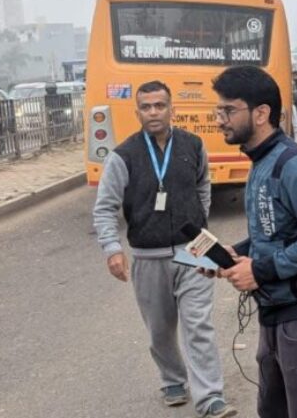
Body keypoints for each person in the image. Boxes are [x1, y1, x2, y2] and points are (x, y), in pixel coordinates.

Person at [92, 81, 237, 418]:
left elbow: (203, 186)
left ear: (172, 109)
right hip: (148, 255)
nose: (153, 112)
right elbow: (105, 207)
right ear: (138, 112)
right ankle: (172, 379)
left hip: (195, 249)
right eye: (146, 107)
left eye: (160, 105)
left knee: (199, 324)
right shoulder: (123, 156)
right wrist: (112, 248)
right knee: (160, 329)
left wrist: (201, 225)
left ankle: (210, 397)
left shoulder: (193, 145)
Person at [210, 65, 297, 418]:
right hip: (275, 312)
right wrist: (235, 254)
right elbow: (274, 232)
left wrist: (260, 271)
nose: (220, 120)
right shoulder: (261, 161)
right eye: (218, 111)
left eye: (228, 110)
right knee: (272, 410)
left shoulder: (292, 165)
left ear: (261, 113)